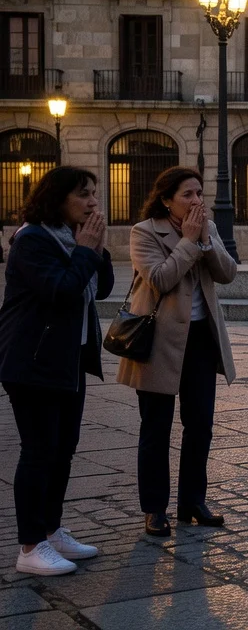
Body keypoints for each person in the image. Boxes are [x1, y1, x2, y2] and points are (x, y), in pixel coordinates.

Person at [0, 167, 113, 575]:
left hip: (67, 360)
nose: (93, 202)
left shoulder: (72, 238)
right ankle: (30, 546)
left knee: (63, 450)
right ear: (57, 199)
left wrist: (98, 250)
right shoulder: (32, 240)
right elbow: (61, 290)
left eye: (94, 193)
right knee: (38, 451)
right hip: (32, 362)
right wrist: (85, 251)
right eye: (83, 194)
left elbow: (100, 289)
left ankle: (51, 530)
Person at [120, 168, 238, 537]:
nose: (197, 201)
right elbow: (159, 278)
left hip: (201, 338)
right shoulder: (144, 232)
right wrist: (188, 242)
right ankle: (154, 509)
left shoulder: (207, 227)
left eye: (199, 193)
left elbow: (228, 273)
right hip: (158, 341)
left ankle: (192, 501)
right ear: (166, 199)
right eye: (188, 194)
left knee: (200, 424)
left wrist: (205, 241)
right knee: (156, 427)